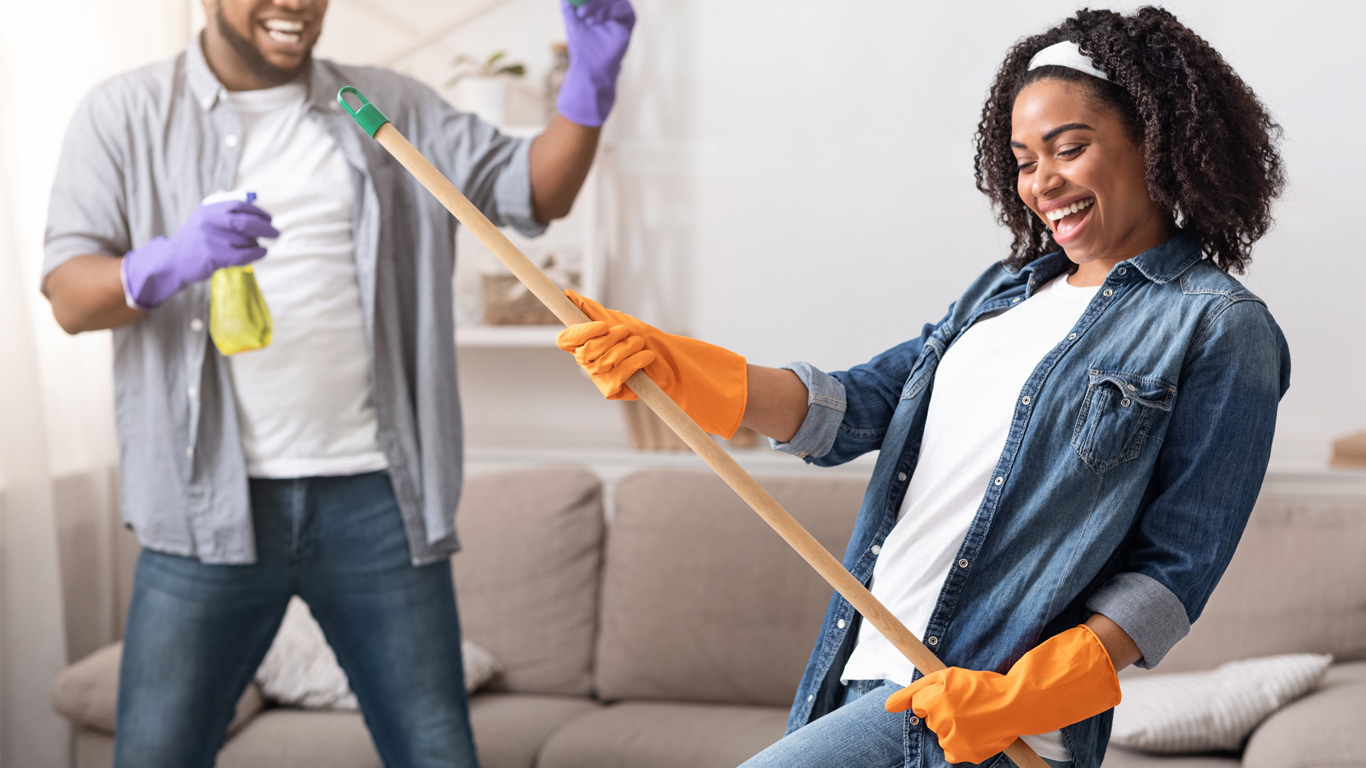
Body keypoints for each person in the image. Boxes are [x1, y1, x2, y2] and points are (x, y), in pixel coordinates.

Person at [555, 7, 1289, 767]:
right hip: (860, 670)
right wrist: (687, 371)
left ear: (1152, 140)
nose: (1043, 182)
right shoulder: (1001, 295)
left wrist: (1025, 695)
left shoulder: (1220, 327)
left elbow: (1174, 572)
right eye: (1024, 159)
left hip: (983, 713)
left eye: (1069, 148)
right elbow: (855, 406)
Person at [40, 0, 635, 765]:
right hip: (202, 513)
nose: (296, 3)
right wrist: (166, 261)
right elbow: (66, 296)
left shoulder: (387, 108)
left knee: (437, 755)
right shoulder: (122, 113)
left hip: (376, 504)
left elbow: (534, 193)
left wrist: (591, 80)